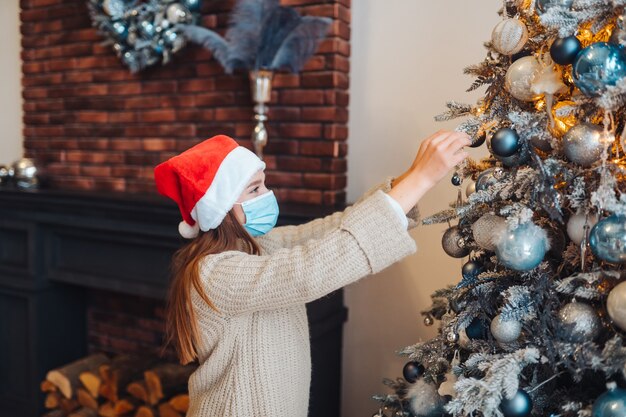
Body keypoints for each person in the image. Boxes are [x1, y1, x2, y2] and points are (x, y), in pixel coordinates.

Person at [154, 130, 470, 417]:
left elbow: (330, 230)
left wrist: (411, 178)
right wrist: (421, 179)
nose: (267, 193)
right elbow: (309, 269)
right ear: (220, 208)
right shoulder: (215, 272)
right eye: (254, 189)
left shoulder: (261, 243)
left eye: (264, 183)